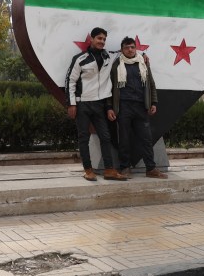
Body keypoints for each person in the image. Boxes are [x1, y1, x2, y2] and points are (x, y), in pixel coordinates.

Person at [66, 27, 127, 181]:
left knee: (106, 137)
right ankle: (88, 170)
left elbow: (126, 52)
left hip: (99, 105)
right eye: (99, 38)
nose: (102, 41)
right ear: (91, 39)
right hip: (83, 105)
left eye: (104, 39)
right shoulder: (80, 59)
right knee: (83, 138)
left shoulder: (109, 56)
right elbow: (70, 81)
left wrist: (143, 55)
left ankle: (109, 170)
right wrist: (71, 104)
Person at [108, 37, 168, 179]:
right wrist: (110, 106)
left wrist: (153, 102)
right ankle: (125, 168)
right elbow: (110, 88)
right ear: (122, 50)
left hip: (141, 107)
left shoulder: (143, 62)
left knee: (146, 139)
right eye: (127, 47)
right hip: (123, 107)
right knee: (124, 139)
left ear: (136, 48)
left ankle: (151, 169)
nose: (130, 50)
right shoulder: (116, 64)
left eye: (132, 47)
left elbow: (151, 83)